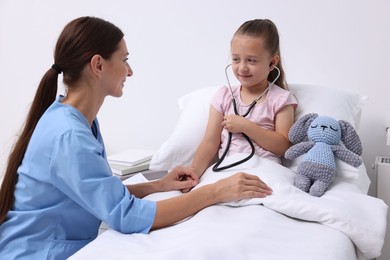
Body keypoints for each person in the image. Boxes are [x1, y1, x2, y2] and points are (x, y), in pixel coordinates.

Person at [0, 17, 272, 259]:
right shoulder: (70, 135)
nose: (130, 72)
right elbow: (126, 216)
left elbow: (99, 196)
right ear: (98, 65)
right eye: (125, 60)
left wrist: (159, 186)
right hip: (35, 252)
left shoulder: (75, 120)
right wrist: (215, 191)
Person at [183, 19, 297, 182]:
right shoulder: (224, 96)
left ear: (272, 62)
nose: (242, 67)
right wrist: (192, 173)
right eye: (236, 59)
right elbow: (210, 143)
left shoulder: (281, 99)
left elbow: (283, 147)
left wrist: (246, 126)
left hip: (265, 172)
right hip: (228, 169)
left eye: (251, 60)